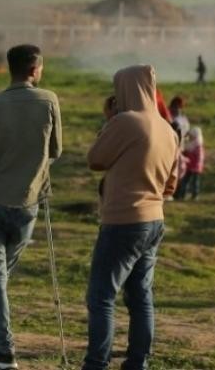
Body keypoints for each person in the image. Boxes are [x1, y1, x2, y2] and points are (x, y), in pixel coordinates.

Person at [0, 44, 62, 369]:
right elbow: (56, 151)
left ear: (10, 69)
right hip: (28, 201)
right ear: (35, 70)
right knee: (2, 274)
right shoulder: (49, 100)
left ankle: (4, 349)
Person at [82, 65, 178, 370]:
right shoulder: (167, 129)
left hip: (123, 220)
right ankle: (138, 361)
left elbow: (95, 159)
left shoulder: (125, 122)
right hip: (154, 220)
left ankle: (96, 363)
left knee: (101, 296)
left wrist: (110, 121)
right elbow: (171, 185)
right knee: (140, 297)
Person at [175, 127, 205, 201]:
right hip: (189, 166)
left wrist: (196, 165)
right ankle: (182, 195)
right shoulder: (191, 144)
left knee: (195, 182)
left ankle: (195, 195)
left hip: (195, 167)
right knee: (185, 181)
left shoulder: (198, 146)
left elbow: (199, 158)